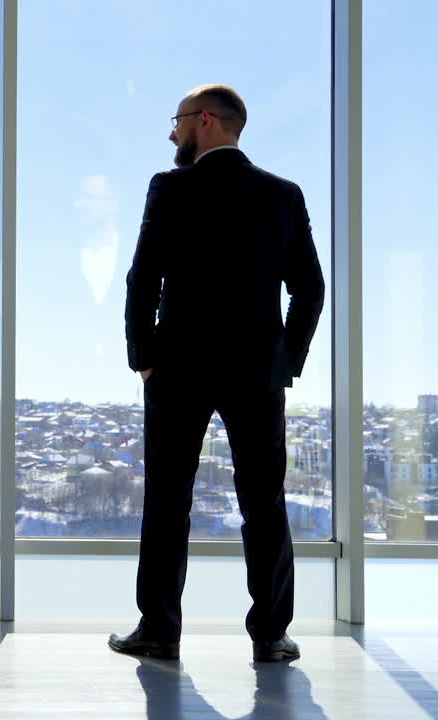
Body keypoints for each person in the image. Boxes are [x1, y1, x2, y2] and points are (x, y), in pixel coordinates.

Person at [110, 84, 325, 663]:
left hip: (177, 368)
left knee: (167, 499)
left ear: (205, 121)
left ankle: (159, 630)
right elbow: (310, 290)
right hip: (257, 372)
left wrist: (144, 357)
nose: (172, 133)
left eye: (177, 121)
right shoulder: (283, 194)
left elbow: (142, 278)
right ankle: (272, 636)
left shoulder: (170, 187)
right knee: (264, 501)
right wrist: (285, 363)